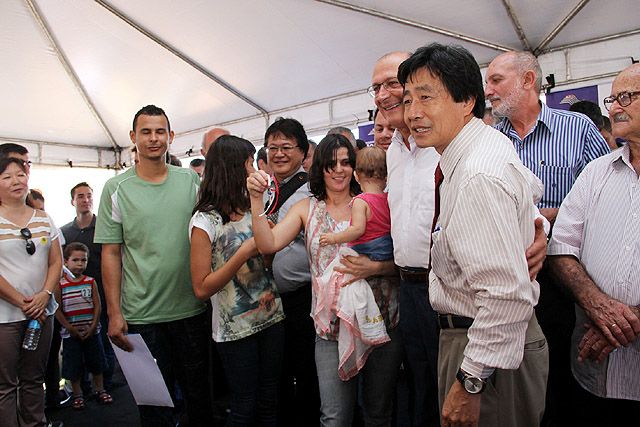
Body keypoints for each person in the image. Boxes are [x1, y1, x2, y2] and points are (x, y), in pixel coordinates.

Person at [369, 50, 549, 427]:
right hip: (466, 330)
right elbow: (527, 192)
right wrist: (535, 229)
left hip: (484, 346)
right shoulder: (479, 148)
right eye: (408, 99)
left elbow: (504, 296)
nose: (412, 111)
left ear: (466, 100)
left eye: (426, 96)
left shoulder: (475, 174)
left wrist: (470, 382)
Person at [485, 50, 610, 426]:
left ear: (527, 81)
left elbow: (604, 199)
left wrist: (536, 216)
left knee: (567, 381)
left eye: (496, 80)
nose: (488, 90)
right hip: (512, 280)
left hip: (566, 279)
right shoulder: (489, 142)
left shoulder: (578, 130)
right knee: (520, 384)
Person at [248, 134, 402, 427]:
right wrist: (257, 200)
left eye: (346, 162)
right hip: (330, 330)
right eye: (331, 164)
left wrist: (376, 267)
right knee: (334, 418)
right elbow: (268, 244)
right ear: (319, 168)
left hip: (381, 321)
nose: (338, 170)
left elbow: (405, 264)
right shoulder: (307, 208)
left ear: (355, 168)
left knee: (378, 414)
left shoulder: (375, 203)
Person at [95, 105, 213, 426]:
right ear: (133, 138)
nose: (153, 138)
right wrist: (114, 312)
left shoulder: (190, 180)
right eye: (145, 132)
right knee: (154, 411)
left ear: (171, 137)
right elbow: (111, 253)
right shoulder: (116, 189)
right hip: (141, 318)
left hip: (192, 311)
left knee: (200, 402)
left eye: (160, 131)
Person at [547, 63, 640, 426]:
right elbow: (561, 248)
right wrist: (597, 305)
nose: (615, 107)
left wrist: (624, 324)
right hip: (593, 374)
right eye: (613, 98)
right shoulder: (596, 172)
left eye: (627, 97)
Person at [190, 135, 285, 426]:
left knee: (271, 399)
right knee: (244, 405)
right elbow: (201, 288)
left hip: (271, 318)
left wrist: (267, 246)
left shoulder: (252, 208)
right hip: (235, 330)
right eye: (248, 162)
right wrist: (243, 252)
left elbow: (266, 263)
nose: (254, 169)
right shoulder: (204, 221)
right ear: (234, 167)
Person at [261, 117, 320, 426]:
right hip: (270, 301)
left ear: (303, 152)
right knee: (276, 372)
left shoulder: (313, 192)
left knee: (307, 370)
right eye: (273, 147)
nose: (279, 154)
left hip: (304, 298)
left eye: (286, 147)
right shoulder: (266, 191)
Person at [0, 157, 62, 427]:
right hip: (5, 317)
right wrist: (22, 301)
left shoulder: (44, 217)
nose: (16, 181)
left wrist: (44, 295)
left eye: (20, 174)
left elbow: (56, 261)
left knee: (34, 380)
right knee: (5, 385)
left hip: (41, 314)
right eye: (6, 177)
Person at [60, 182, 114, 392]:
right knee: (75, 349)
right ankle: (80, 388)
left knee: (104, 343)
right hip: (73, 303)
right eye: (80, 196)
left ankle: (105, 386)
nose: (85, 200)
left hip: (102, 295)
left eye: (89, 195)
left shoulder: (105, 227)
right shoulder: (64, 233)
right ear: (72, 201)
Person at [55, 242, 113, 410]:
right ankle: (77, 394)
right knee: (74, 365)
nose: (80, 264)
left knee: (97, 361)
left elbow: (97, 305)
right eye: (75, 260)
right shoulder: (61, 284)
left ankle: (100, 389)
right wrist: (69, 328)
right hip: (70, 334)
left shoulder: (90, 282)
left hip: (92, 332)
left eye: (83, 260)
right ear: (66, 261)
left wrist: (94, 325)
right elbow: (57, 308)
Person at [319, 146, 393, 262]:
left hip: (368, 249)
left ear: (356, 176)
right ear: (386, 176)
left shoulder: (361, 201)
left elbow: (357, 230)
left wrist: (334, 238)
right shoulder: (389, 198)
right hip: (388, 249)